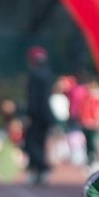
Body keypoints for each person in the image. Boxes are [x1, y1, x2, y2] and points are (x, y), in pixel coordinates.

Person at [24, 45, 55, 184]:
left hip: (36, 114)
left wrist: (28, 114)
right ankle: (38, 172)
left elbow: (34, 98)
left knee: (30, 143)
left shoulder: (34, 75)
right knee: (40, 143)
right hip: (46, 114)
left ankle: (42, 167)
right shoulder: (48, 74)